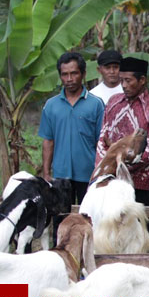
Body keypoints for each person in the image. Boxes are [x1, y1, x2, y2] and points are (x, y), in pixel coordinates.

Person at [39, 52, 104, 204]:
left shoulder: (96, 104)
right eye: (65, 74)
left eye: (74, 73)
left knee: (87, 220)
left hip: (88, 175)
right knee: (60, 221)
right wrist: (47, 173)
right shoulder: (51, 106)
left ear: (83, 74)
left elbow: (100, 142)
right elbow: (48, 141)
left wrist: (100, 173)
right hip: (60, 176)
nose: (69, 79)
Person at [95, 57, 149, 205]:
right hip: (110, 181)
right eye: (121, 80)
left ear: (142, 80)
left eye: (128, 81)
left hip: (139, 184)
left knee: (138, 225)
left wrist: (121, 162)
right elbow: (102, 137)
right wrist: (107, 166)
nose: (123, 85)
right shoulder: (113, 102)